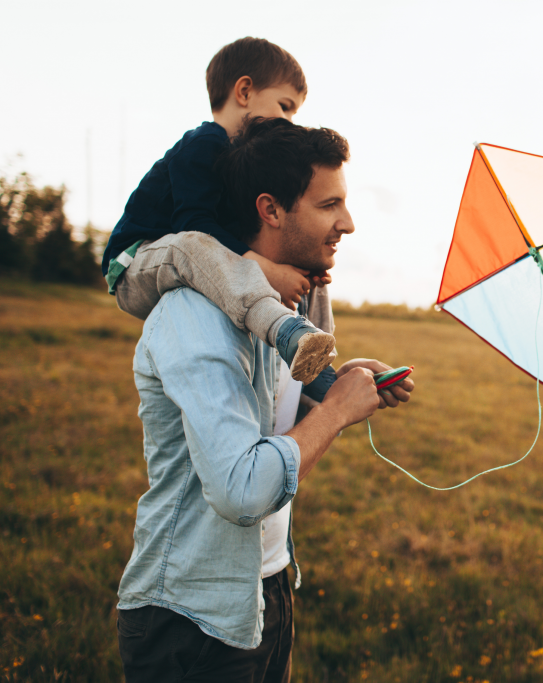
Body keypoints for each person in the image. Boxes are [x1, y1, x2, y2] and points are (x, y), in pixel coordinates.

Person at [115, 118, 415, 682]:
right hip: (191, 619)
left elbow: (281, 409)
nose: (347, 223)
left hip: (267, 586)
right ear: (271, 209)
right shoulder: (195, 315)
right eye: (330, 205)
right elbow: (242, 490)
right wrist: (336, 413)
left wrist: (343, 380)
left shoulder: (287, 312)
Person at [101, 37, 336, 386]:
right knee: (191, 244)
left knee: (304, 254)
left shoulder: (239, 162)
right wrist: (266, 268)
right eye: (285, 106)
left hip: (190, 257)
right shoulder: (203, 143)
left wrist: (292, 268)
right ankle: (285, 331)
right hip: (137, 262)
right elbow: (194, 224)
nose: (290, 122)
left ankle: (319, 361)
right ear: (244, 91)